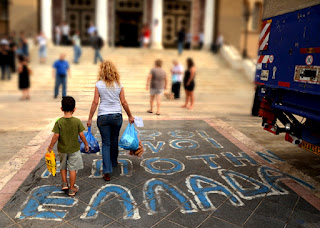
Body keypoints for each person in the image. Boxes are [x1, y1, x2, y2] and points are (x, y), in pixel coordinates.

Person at [87, 60, 134, 181]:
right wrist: (130, 115)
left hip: (103, 116)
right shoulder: (119, 84)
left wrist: (89, 118)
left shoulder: (99, 84)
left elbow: (95, 102)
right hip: (116, 116)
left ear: (102, 71)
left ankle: (107, 170)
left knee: (106, 143)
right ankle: (114, 161)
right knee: (114, 140)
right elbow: (123, 102)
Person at [48, 96, 89, 196]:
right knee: (72, 169)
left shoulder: (59, 122)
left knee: (63, 166)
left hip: (62, 149)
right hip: (74, 149)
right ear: (74, 109)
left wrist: (50, 147)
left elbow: (56, 135)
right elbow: (81, 134)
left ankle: (64, 184)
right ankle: (71, 189)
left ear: (61, 109)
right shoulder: (77, 121)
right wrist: (86, 144)